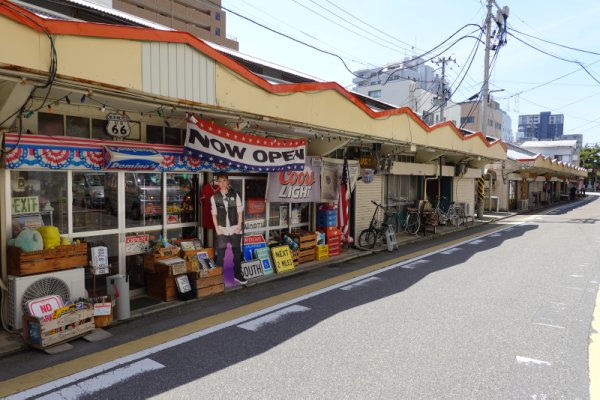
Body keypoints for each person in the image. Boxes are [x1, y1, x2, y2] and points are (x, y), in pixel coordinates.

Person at [210, 173, 247, 285]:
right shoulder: (214, 197)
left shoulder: (235, 195)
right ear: (217, 183)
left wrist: (239, 227)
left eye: (224, 181)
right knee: (220, 254)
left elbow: (240, 212)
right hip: (222, 229)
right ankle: (218, 277)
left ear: (228, 182)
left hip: (234, 228)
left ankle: (237, 275)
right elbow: (214, 215)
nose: (222, 183)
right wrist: (217, 229)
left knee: (237, 253)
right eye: (220, 181)